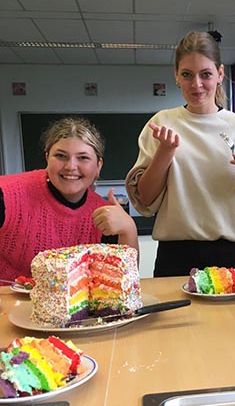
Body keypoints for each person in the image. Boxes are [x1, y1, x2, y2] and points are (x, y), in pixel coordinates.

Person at [126, 30, 235, 276]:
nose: (196, 85)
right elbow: (145, 199)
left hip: (233, 253)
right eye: (187, 75)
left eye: (206, 74)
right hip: (176, 255)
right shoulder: (162, 122)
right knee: (177, 317)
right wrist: (165, 153)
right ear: (176, 75)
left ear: (220, 74)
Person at [0, 117, 139, 283]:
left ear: (98, 165)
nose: (71, 167)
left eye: (83, 158)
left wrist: (128, 228)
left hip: (74, 307)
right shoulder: (7, 195)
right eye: (61, 156)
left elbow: (122, 283)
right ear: (47, 158)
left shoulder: (102, 215)